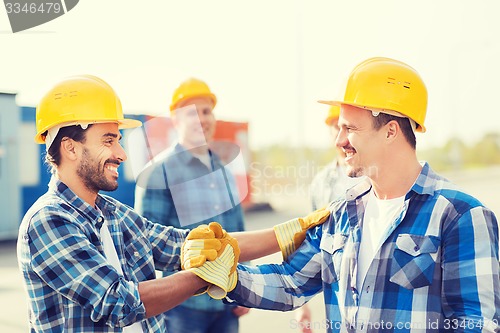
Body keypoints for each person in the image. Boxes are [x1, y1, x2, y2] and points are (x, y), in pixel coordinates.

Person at [183, 57, 500, 332]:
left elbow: (476, 323)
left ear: (390, 131)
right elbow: (292, 281)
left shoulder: (460, 216)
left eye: (349, 128)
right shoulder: (343, 212)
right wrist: (228, 276)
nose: (339, 140)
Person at [16, 74, 330, 332]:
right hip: (185, 315)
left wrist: (289, 232)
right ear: (70, 148)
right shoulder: (48, 221)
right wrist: (209, 274)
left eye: (118, 141)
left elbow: (188, 244)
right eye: (109, 140)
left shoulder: (115, 216)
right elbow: (118, 302)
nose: (122, 154)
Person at [134, 78, 250, 333]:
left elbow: (238, 234)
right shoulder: (157, 174)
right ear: (175, 120)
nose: (202, 119)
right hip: (181, 308)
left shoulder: (225, 172)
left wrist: (246, 285)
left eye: (206, 111)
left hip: (227, 303)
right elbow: (144, 248)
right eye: (192, 113)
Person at [295, 105, 364, 333]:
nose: (340, 134)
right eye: (335, 127)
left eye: (346, 126)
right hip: (337, 291)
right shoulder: (321, 183)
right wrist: (301, 306)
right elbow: (309, 243)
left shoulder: (372, 172)